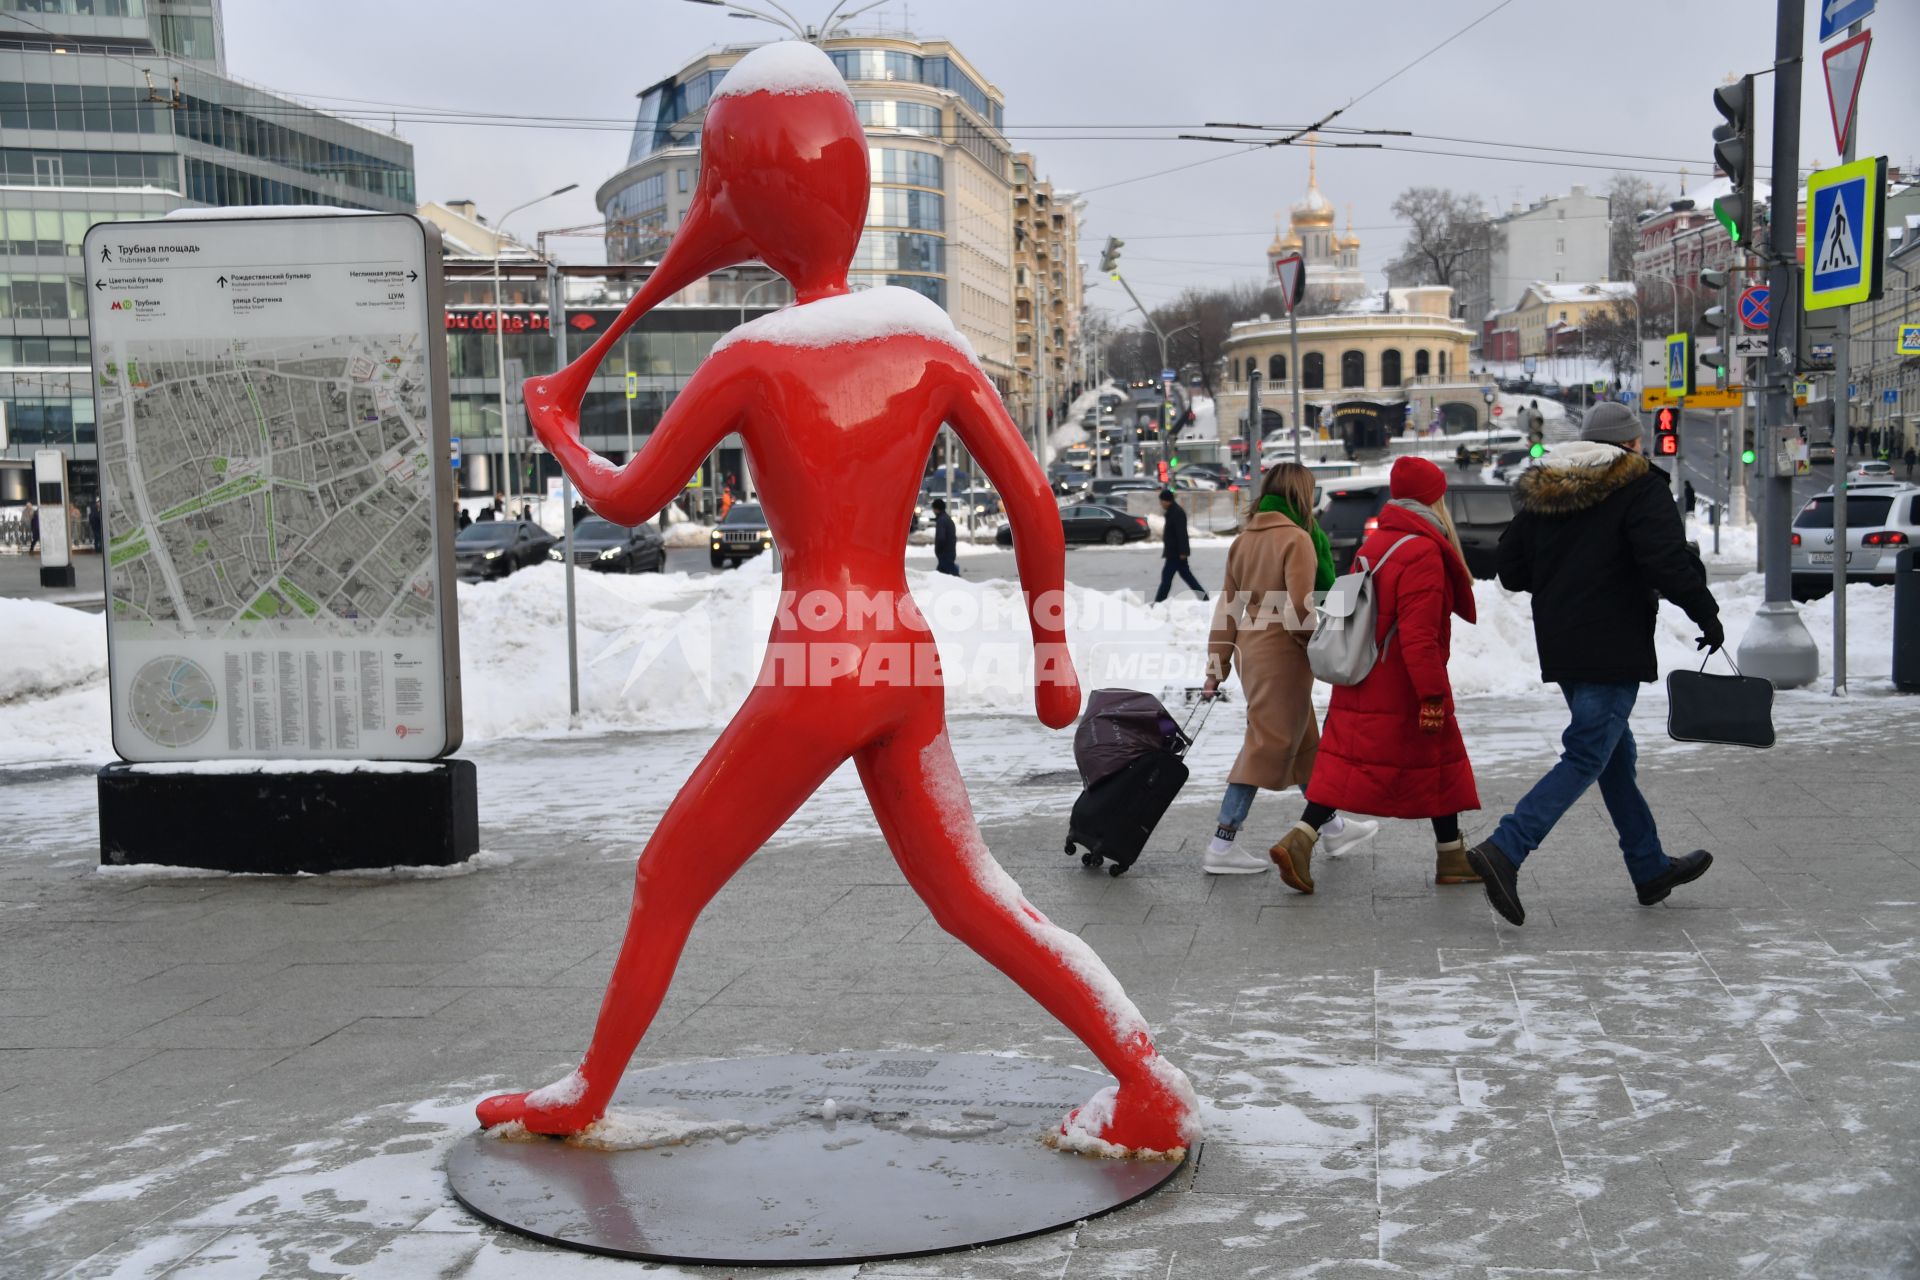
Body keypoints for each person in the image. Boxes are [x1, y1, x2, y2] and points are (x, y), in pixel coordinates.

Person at [476, 42, 1194, 1157]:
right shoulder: (924, 335)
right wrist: (1052, 655)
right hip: (902, 658)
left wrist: (559, 428)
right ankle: (1142, 1073)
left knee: (668, 872)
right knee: (974, 896)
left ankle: (585, 1090)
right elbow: (1037, 510)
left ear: (750, 207)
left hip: (819, 665)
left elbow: (626, 498)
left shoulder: (749, 357)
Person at [1464, 401, 1723, 925]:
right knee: (1588, 753)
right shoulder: (1639, 486)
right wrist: (1706, 613)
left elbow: (1511, 569)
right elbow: (1666, 560)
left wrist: (1566, 580)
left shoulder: (1548, 488)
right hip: (1613, 641)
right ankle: (1506, 849)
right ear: (1629, 444)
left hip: (1564, 641)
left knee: (1612, 756)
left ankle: (1649, 867)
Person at [1268, 457, 1479, 894]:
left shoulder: (1379, 541)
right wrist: (1433, 695)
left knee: (1359, 768)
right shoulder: (1422, 550)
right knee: (1434, 761)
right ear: (1432, 498)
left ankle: (1305, 839)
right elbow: (1419, 638)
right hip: (1400, 686)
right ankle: (1449, 856)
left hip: (1365, 678)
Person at [1200, 462, 1376, 875]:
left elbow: (1228, 608)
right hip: (1283, 654)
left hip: (1251, 650)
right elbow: (1300, 608)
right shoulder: (1296, 538)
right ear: (1301, 494)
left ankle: (1330, 826)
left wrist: (1216, 666)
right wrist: (1319, 647)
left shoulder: (1243, 540)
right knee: (1267, 743)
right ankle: (1221, 843)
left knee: (1302, 742)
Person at [1153, 489, 1208, 603]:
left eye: (1162, 501)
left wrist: (1183, 552)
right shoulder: (1172, 512)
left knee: (1167, 578)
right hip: (1175, 552)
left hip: (1176, 553)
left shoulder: (1176, 513)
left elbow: (1181, 533)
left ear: (1167, 501)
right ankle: (1204, 598)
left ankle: (1159, 602)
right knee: (1186, 577)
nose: (1161, 503)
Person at [931, 496, 960, 576]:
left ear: (936, 509)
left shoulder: (941, 521)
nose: (933, 511)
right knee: (943, 575)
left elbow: (941, 538)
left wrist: (939, 550)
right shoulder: (947, 519)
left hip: (945, 554)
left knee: (952, 576)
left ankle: (963, 586)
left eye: (933, 508)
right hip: (949, 552)